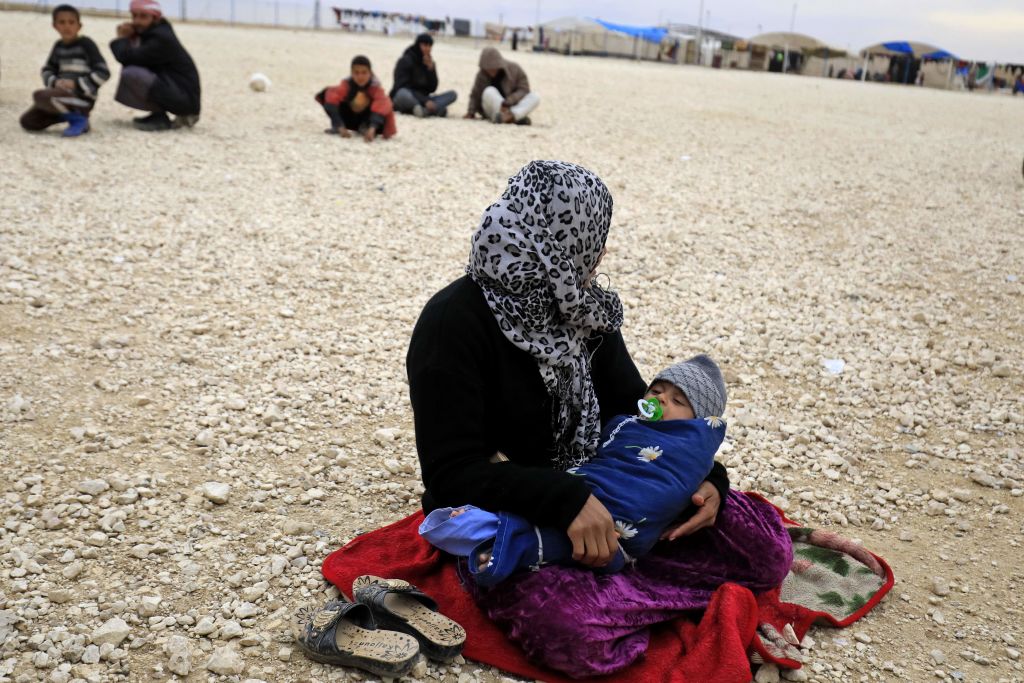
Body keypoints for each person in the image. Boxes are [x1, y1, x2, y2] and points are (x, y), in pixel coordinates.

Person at [406, 160, 793, 678]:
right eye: (595, 240)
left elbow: (636, 409)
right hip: (519, 511)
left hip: (621, 485)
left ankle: (622, 582)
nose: (602, 255)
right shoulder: (453, 323)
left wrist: (707, 478)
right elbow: (450, 473)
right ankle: (622, 581)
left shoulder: (580, 309)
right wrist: (566, 500)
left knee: (765, 550)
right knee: (569, 631)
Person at [420, 355, 728, 586]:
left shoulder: (593, 314)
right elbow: (451, 469)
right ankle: (496, 536)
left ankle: (502, 540)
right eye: (657, 390)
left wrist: (714, 481)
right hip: (565, 485)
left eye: (677, 400)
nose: (660, 398)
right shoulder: (631, 424)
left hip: (625, 521)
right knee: (553, 532)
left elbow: (677, 467)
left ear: (696, 424)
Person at [109, 0, 201, 131]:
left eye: (143, 16)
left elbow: (126, 57)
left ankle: (161, 118)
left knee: (132, 73)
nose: (136, 21)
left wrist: (121, 39)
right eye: (134, 16)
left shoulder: (161, 38)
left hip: (185, 101)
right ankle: (158, 114)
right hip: (179, 94)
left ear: (155, 17)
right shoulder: (155, 33)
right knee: (133, 66)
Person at [20, 4, 109, 137]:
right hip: (60, 95)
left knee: (40, 96)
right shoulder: (58, 46)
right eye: (62, 22)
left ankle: (79, 119)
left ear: (79, 26)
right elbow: (47, 69)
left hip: (82, 98)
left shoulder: (86, 44)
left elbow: (103, 72)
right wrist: (55, 82)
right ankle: (68, 116)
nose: (67, 26)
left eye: (71, 22)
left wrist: (76, 84)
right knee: (28, 121)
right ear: (54, 26)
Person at [314, 55, 396, 142]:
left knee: (383, 104)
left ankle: (366, 127)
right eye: (356, 73)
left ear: (370, 73)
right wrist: (340, 125)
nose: (360, 77)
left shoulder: (375, 87)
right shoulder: (347, 84)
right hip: (350, 118)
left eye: (364, 72)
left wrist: (373, 127)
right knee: (328, 93)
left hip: (369, 119)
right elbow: (332, 99)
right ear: (352, 73)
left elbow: (381, 106)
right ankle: (338, 126)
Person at [464, 47, 539, 125]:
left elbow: (524, 89)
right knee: (489, 91)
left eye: (493, 68)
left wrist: (508, 101)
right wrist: (471, 112)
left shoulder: (515, 69)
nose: (490, 72)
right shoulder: (481, 75)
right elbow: (475, 95)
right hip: (493, 110)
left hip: (511, 107)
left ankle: (511, 116)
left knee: (535, 96)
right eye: (488, 69)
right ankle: (514, 118)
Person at [390, 33, 457, 118]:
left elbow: (432, 88)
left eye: (430, 46)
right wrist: (424, 101)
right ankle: (424, 110)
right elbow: (401, 86)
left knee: (452, 95)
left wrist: (431, 70)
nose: (428, 49)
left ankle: (421, 110)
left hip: (424, 98)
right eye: (425, 45)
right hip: (407, 97)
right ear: (418, 45)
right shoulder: (405, 60)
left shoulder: (428, 62)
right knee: (402, 93)